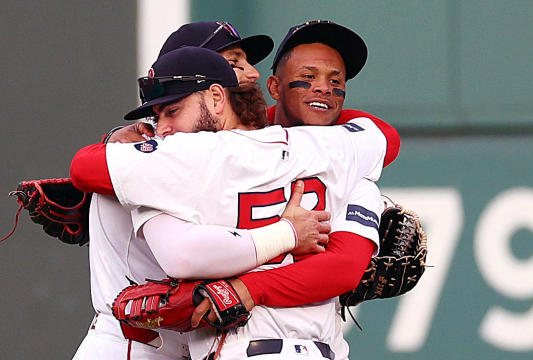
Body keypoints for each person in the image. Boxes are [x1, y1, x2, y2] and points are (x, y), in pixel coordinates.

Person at [72, 21, 401, 359]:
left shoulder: (183, 155)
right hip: (139, 346)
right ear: (215, 91)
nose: (250, 74)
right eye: (232, 63)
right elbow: (384, 137)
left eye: (336, 81)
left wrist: (249, 283)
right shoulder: (172, 153)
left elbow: (344, 266)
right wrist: (286, 236)